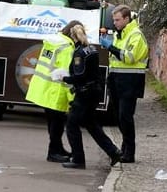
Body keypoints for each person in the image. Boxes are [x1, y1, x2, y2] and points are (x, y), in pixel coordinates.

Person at [58, 23, 122, 169]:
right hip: (94, 92)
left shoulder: (79, 53)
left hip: (85, 94)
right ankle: (113, 152)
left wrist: (64, 79)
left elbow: (80, 75)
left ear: (72, 37)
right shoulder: (92, 49)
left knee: (72, 125)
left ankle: (78, 159)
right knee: (92, 125)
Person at [25, 20, 80, 163]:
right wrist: (72, 97)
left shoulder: (53, 42)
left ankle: (58, 148)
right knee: (57, 123)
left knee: (53, 122)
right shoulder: (67, 48)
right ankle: (53, 152)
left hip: (43, 88)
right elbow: (65, 74)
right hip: (55, 91)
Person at [100, 4, 149, 163]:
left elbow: (129, 57)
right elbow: (115, 59)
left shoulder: (136, 35)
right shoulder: (119, 34)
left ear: (127, 19)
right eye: (114, 20)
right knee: (119, 117)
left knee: (125, 116)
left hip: (130, 80)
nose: (115, 23)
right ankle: (124, 148)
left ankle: (130, 152)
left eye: (118, 20)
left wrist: (111, 47)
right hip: (116, 79)